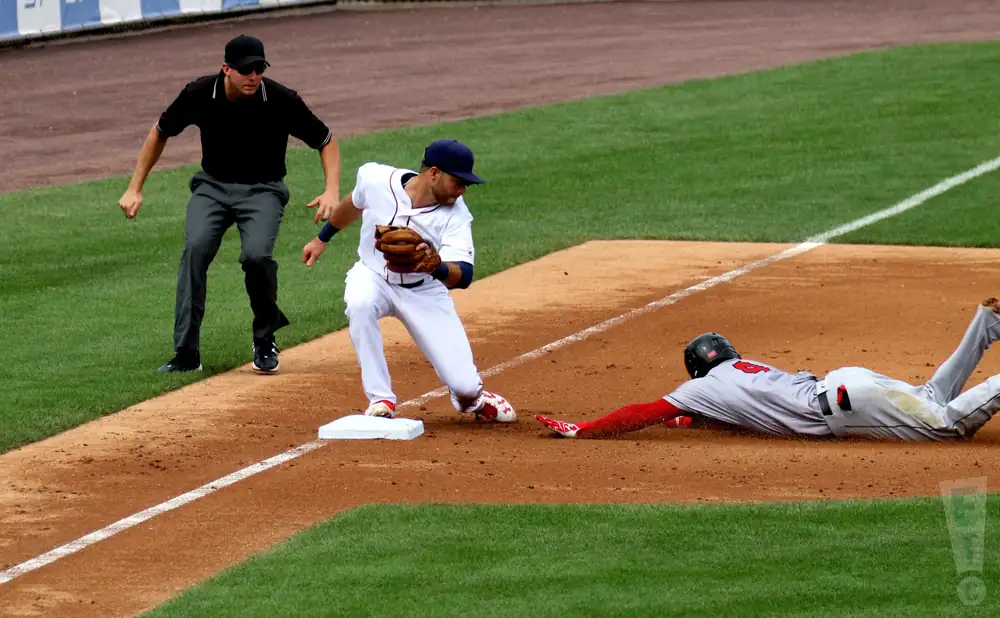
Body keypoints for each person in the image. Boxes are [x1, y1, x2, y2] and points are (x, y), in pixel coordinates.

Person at [119, 34, 340, 374]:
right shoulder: (199, 93)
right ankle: (186, 352)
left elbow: (325, 140)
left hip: (263, 190)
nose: (253, 76)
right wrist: (135, 187)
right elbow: (160, 131)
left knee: (256, 257)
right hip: (213, 188)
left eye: (259, 69)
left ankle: (265, 338)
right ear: (226, 69)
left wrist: (331, 190)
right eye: (245, 70)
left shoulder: (280, 99)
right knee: (195, 249)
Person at [537, 298, 1000, 442]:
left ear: (696, 371)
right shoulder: (742, 370)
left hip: (845, 404)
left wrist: (585, 429)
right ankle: (988, 320)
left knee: (945, 427)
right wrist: (686, 419)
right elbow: (705, 416)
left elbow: (645, 410)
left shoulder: (704, 389)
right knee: (932, 396)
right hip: (848, 383)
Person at [300, 139, 516, 423]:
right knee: (360, 303)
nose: (463, 190)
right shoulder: (376, 179)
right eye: (458, 182)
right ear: (435, 173)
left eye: (467, 184)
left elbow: (464, 275)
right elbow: (353, 203)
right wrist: (321, 238)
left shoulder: (457, 214)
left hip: (424, 292)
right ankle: (381, 400)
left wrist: (437, 266)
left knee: (465, 387)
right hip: (373, 276)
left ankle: (473, 401)